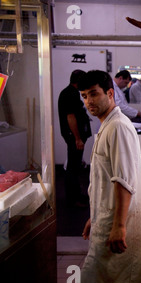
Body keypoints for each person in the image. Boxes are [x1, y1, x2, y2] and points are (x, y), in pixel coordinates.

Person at [76, 70, 141, 283]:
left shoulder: (117, 127)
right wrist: (94, 216)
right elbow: (105, 180)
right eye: (84, 96)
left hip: (115, 224)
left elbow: (123, 181)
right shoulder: (107, 125)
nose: (89, 102)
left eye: (94, 94)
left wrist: (119, 226)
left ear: (109, 93)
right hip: (105, 219)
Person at [58, 69, 91, 207]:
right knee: (72, 168)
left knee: (75, 166)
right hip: (73, 137)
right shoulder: (69, 94)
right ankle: (73, 200)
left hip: (74, 136)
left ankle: (77, 195)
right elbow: (71, 117)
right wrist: (77, 138)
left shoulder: (70, 92)